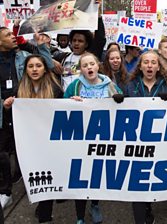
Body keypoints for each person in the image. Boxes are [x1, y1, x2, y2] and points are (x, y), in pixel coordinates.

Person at [3, 55, 63, 223]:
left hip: (49, 143)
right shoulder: (18, 90)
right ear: (26, 69)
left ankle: (45, 214)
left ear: (45, 69)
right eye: (31, 66)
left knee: (48, 178)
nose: (34, 69)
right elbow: (13, 119)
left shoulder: (55, 89)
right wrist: (7, 107)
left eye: (38, 66)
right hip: (28, 144)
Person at [64, 53, 122, 224]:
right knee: (80, 176)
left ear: (98, 66)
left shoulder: (110, 85)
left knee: (96, 173)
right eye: (85, 65)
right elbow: (61, 106)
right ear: (80, 70)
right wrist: (70, 102)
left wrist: (118, 99)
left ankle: (95, 204)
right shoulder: (75, 86)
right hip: (81, 138)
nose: (89, 67)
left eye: (92, 64)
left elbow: (122, 103)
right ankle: (80, 216)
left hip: (103, 137)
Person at [0, 27, 53, 209]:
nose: (13, 37)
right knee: (3, 153)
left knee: (28, 152)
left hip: (25, 112)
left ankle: (41, 189)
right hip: (4, 111)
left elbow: (47, 65)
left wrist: (41, 46)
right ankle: (6, 191)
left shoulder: (22, 56)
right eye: (8, 35)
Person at [126, 51, 167, 224]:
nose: (149, 65)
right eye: (146, 62)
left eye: (153, 62)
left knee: (151, 178)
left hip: (160, 142)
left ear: (159, 67)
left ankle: (148, 205)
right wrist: (117, 101)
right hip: (136, 142)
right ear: (140, 66)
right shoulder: (130, 85)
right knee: (137, 182)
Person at [54, 15, 106, 90]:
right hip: (65, 99)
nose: (76, 43)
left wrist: (99, 17)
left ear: (86, 44)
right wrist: (53, 61)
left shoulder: (90, 57)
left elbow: (100, 39)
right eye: (74, 40)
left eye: (80, 41)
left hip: (85, 99)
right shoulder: (63, 57)